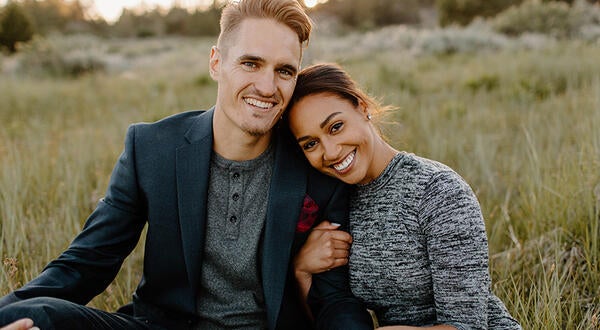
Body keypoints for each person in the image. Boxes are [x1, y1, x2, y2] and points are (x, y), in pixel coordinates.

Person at [0, 2, 373, 329]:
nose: (266, 86)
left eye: (284, 71)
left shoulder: (316, 163)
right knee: (36, 317)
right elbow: (87, 263)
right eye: (250, 63)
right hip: (160, 326)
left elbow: (335, 300)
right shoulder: (150, 148)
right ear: (216, 62)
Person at [286, 63, 522, 329]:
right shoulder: (337, 200)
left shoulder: (438, 191)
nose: (330, 152)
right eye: (310, 144)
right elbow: (330, 314)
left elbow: (468, 325)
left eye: (336, 127)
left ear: (362, 108)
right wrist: (302, 270)